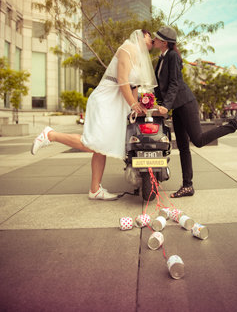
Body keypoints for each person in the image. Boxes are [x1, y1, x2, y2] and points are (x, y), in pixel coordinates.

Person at [31, 29, 157, 200]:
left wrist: (134, 109)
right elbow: (122, 80)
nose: (152, 41)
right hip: (105, 100)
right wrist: (133, 104)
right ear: (142, 36)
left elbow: (133, 86)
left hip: (117, 104)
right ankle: (50, 135)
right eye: (150, 37)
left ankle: (94, 189)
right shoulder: (127, 48)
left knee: (101, 149)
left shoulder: (140, 58)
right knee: (94, 144)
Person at [152, 26, 237, 198]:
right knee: (183, 147)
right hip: (177, 107)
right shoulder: (161, 58)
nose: (153, 40)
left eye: (156, 38)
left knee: (198, 140)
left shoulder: (172, 56)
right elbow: (161, 86)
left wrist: (166, 105)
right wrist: (154, 102)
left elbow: (175, 83)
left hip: (185, 103)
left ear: (163, 42)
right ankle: (187, 186)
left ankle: (234, 123)